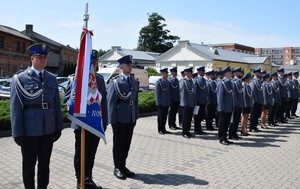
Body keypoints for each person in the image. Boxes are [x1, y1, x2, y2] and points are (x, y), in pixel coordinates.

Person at [10, 43, 63, 189]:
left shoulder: (52, 78)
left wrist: (58, 126)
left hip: (48, 129)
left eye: (45, 57)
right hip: (29, 130)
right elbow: (15, 107)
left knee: (45, 165)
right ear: (31, 58)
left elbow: (56, 105)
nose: (43, 59)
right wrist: (17, 132)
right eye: (39, 57)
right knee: (28, 166)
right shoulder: (19, 79)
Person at [65, 50, 107, 189]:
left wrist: (104, 122)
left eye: (94, 61)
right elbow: (67, 100)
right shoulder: (76, 78)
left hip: (95, 123)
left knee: (91, 153)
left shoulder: (99, 79)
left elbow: (103, 103)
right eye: (90, 61)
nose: (93, 64)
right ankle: (80, 180)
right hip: (81, 123)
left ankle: (88, 178)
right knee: (81, 153)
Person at [107, 55, 139, 180]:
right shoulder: (115, 82)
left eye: (131, 65)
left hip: (130, 117)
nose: (130, 67)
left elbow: (135, 101)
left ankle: (123, 165)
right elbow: (111, 102)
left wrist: (135, 116)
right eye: (128, 65)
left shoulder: (133, 81)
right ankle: (117, 167)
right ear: (121, 67)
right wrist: (112, 120)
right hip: (119, 118)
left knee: (126, 143)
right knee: (118, 143)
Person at [217, 66, 234, 145]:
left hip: (229, 107)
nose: (231, 74)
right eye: (230, 72)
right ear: (226, 73)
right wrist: (220, 108)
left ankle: (225, 137)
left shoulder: (230, 82)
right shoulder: (222, 83)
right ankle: (222, 138)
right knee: (222, 124)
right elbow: (220, 96)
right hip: (223, 108)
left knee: (227, 123)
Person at [180, 67, 195, 139]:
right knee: (185, 119)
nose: (191, 73)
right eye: (190, 72)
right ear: (187, 73)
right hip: (185, 104)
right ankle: (184, 132)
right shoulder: (183, 81)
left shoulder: (191, 81)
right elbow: (182, 93)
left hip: (191, 103)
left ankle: (188, 131)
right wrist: (185, 104)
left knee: (189, 118)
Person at [154, 68, 171, 135]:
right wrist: (158, 103)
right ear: (162, 74)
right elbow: (157, 93)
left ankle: (164, 129)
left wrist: (169, 102)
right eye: (166, 73)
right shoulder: (158, 82)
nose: (167, 74)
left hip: (166, 103)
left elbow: (168, 93)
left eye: (167, 73)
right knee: (160, 117)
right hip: (161, 103)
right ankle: (160, 129)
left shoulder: (167, 82)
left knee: (164, 117)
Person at [229, 67, 244, 140]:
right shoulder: (234, 82)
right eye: (240, 72)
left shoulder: (239, 81)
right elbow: (234, 94)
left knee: (236, 120)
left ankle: (234, 133)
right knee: (233, 120)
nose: (241, 74)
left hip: (239, 104)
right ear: (236, 73)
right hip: (235, 104)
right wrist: (235, 104)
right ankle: (231, 134)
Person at [193, 66, 207, 135]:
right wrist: (196, 100)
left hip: (203, 101)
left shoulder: (204, 80)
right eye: (202, 71)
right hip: (198, 102)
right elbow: (195, 91)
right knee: (197, 116)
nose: (204, 72)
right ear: (199, 72)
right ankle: (196, 129)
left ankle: (199, 129)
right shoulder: (196, 79)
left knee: (201, 116)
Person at [249, 68, 263, 132]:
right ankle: (251, 127)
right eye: (259, 73)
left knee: (257, 115)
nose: (260, 74)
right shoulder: (253, 82)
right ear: (256, 73)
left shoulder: (259, 81)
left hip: (259, 101)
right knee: (253, 115)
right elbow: (252, 92)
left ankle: (255, 126)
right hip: (254, 102)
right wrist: (254, 101)